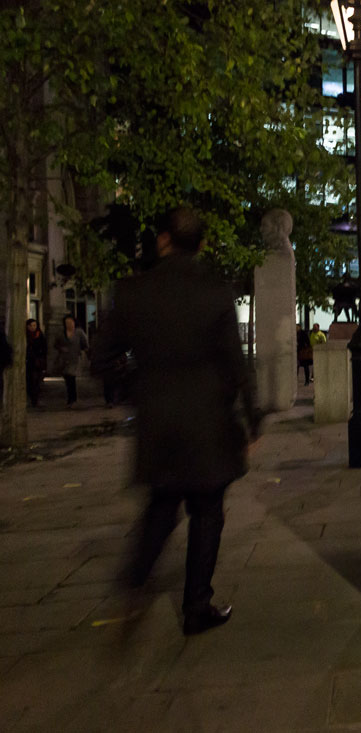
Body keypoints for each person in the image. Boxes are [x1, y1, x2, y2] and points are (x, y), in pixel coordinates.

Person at [92, 207, 260, 636]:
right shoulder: (217, 293)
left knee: (161, 508)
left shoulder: (131, 292)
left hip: (158, 425)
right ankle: (196, 606)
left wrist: (136, 387)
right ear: (202, 245)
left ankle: (135, 584)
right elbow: (236, 366)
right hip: (209, 424)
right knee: (207, 513)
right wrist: (253, 419)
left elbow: (102, 358)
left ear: (163, 240)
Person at [54, 314, 89, 407]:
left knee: (71, 377)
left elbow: (85, 343)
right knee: (68, 379)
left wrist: (84, 351)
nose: (69, 324)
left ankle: (72, 399)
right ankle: (71, 398)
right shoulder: (61, 333)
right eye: (67, 323)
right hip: (64, 359)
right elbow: (55, 344)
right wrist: (61, 348)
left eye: (71, 322)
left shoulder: (79, 332)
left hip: (75, 358)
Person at [25, 319, 47, 407]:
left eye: (34, 325)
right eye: (31, 325)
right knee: (30, 381)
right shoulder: (26, 336)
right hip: (29, 361)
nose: (33, 327)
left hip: (37, 361)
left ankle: (35, 399)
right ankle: (32, 398)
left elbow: (44, 348)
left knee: (36, 380)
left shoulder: (40, 335)